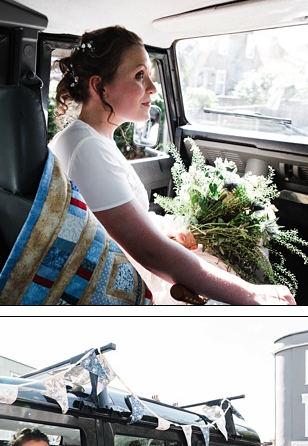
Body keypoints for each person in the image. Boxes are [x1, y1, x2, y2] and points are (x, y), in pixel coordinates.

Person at [49, 26, 295, 306]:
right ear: (98, 86)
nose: (153, 89)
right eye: (139, 76)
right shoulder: (86, 148)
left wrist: (175, 229)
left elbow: (113, 220)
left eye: (150, 77)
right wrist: (249, 293)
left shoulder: (90, 139)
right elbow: (151, 253)